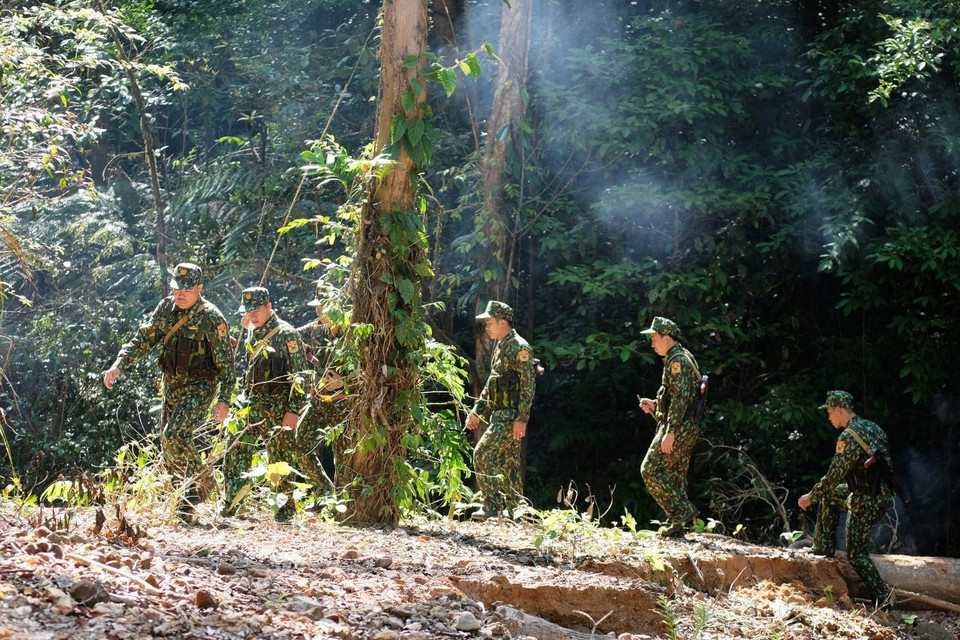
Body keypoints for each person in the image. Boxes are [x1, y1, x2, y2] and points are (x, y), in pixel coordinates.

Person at [103, 262, 234, 521]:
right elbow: (145, 339)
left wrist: (225, 399)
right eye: (177, 288)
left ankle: (204, 483)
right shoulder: (166, 308)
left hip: (199, 386)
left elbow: (225, 363)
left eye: (187, 289)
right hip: (171, 384)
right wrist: (119, 364)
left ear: (199, 288)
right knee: (168, 445)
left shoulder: (212, 318)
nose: (180, 294)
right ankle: (185, 501)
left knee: (173, 434)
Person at [798, 390, 894, 606]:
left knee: (856, 554)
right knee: (830, 494)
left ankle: (885, 599)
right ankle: (823, 547)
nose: (829, 417)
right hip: (879, 492)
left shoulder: (848, 437)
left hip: (867, 498)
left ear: (839, 410)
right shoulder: (873, 427)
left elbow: (834, 475)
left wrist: (811, 496)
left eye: (829, 412)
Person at [222, 287, 310, 521]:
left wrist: (294, 411)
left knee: (279, 463)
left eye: (256, 311)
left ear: (269, 307)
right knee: (235, 452)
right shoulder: (253, 332)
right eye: (248, 312)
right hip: (251, 405)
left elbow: (301, 375)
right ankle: (232, 505)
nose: (252, 316)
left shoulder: (286, 334)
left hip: (278, 408)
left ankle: (284, 514)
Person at [466, 300, 536, 520]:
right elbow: (492, 384)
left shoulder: (520, 347)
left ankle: (493, 505)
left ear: (502, 322)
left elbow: (528, 385)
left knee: (482, 454)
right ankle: (518, 510)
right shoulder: (501, 346)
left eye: (490, 322)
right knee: (509, 463)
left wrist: (522, 418)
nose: (487, 327)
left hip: (510, 415)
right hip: (500, 413)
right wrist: (477, 412)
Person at [637, 316, 702, 536]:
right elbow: (678, 397)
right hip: (686, 426)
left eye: (655, 339)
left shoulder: (678, 362)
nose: (652, 344)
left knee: (649, 469)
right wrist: (655, 406)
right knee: (675, 475)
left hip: (679, 428)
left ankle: (684, 512)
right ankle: (678, 526)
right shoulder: (679, 357)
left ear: (667, 338)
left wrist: (670, 432)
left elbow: (681, 400)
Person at [296, 280, 346, 489]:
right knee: (302, 443)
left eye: (322, 306)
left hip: (346, 403)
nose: (318, 310)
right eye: (317, 306)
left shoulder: (352, 332)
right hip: (319, 401)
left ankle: (341, 498)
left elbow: (372, 370)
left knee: (343, 455)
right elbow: (288, 334)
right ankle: (324, 492)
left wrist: (345, 382)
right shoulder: (315, 330)